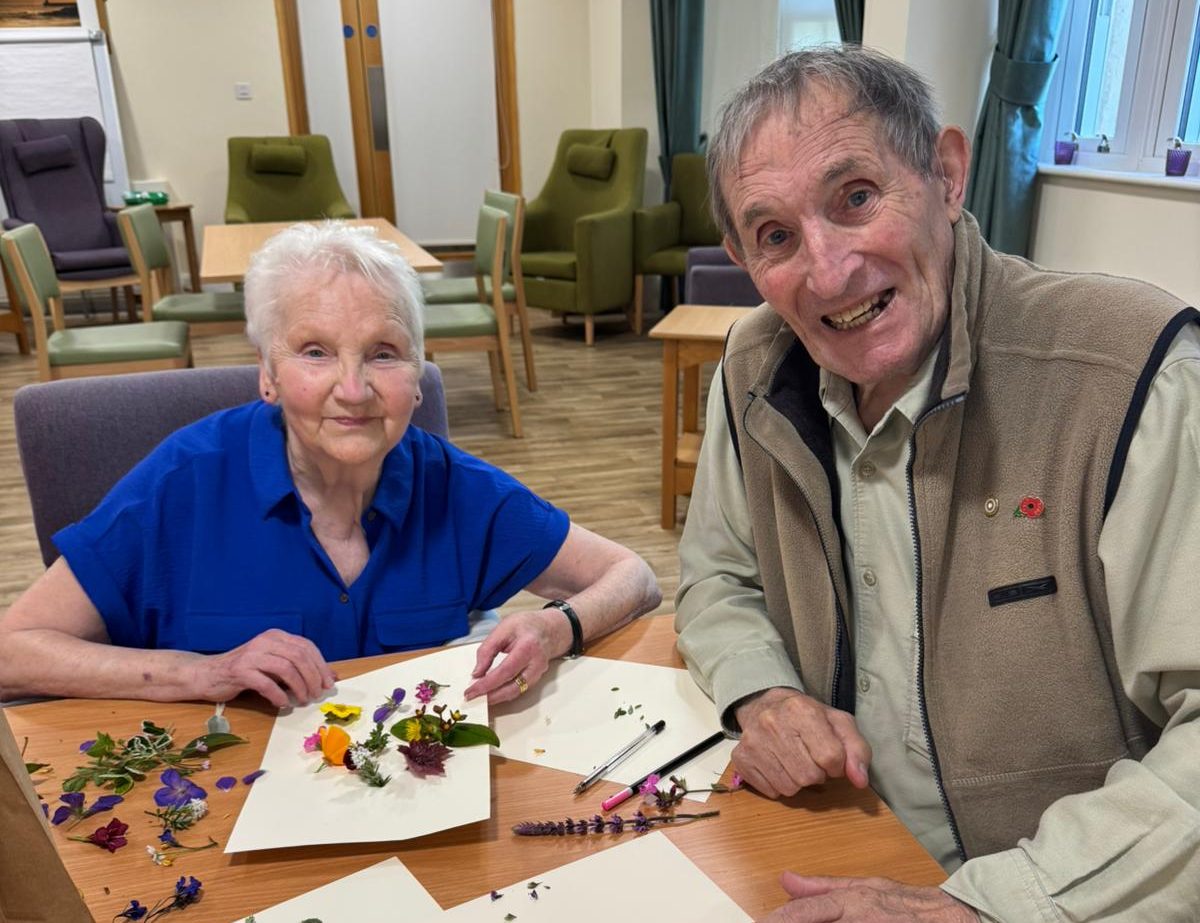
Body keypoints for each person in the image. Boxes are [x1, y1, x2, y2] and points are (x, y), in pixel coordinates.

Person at [676, 45, 1200, 922]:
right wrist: (759, 691)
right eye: (776, 237)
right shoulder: (754, 369)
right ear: (740, 255)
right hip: (837, 848)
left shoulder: (1135, 376)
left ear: (947, 176)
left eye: (856, 198)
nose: (829, 272)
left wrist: (987, 906)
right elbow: (717, 578)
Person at [0, 222, 660, 709]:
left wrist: (556, 625)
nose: (353, 388)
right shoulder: (181, 485)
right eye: (314, 351)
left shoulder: (455, 488)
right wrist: (200, 674)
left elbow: (633, 575)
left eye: (384, 352)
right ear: (267, 373)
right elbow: (12, 649)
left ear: (419, 377)